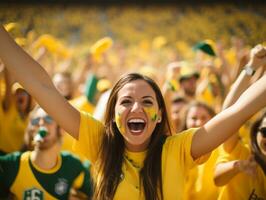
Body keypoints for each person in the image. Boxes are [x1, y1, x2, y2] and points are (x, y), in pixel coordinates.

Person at [0, 26, 266, 200]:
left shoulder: (179, 148)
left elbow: (239, 111)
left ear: (160, 115)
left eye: (147, 102)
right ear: (113, 114)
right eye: (126, 101)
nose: (136, 108)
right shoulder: (100, 142)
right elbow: (41, 86)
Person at [0, 106, 93, 199]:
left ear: (61, 129)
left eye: (48, 119)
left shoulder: (72, 166)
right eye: (35, 121)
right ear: (31, 130)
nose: (41, 123)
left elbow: (98, 193)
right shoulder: (12, 165)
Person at [214, 111, 266, 199]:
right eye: (265, 131)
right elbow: (217, 179)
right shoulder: (243, 153)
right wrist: (237, 166)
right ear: (255, 132)